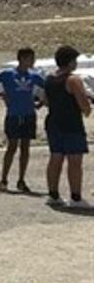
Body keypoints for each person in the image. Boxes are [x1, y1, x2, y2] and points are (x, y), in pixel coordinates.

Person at [0, 47, 46, 192]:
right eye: (30, 58)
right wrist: (2, 94)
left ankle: (21, 179)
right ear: (22, 58)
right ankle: (4, 179)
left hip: (29, 114)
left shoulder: (34, 76)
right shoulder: (7, 74)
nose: (33, 61)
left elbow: (49, 88)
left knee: (25, 148)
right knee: (12, 146)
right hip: (13, 115)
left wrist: (41, 103)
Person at [44, 45, 92, 208]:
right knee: (74, 160)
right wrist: (87, 109)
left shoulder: (49, 79)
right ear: (70, 62)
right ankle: (76, 197)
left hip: (53, 122)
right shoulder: (73, 79)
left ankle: (53, 194)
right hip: (71, 123)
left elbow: (45, 100)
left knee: (55, 157)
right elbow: (83, 103)